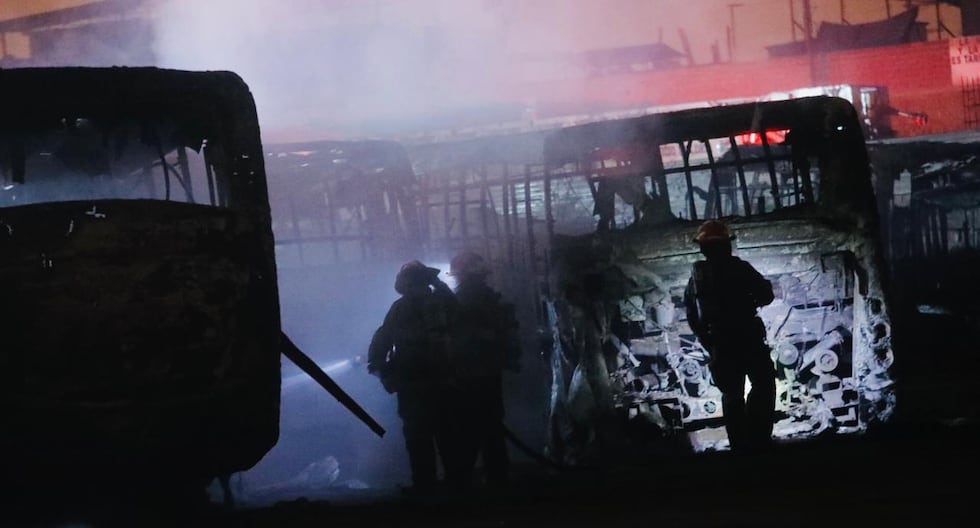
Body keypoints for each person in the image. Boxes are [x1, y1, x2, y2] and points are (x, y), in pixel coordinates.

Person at [684, 220, 776, 452]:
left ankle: (740, 446)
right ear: (727, 245)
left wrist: (709, 343)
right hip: (749, 339)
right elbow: (766, 295)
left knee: (732, 394)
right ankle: (759, 440)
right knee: (763, 386)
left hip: (721, 344)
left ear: (703, 248)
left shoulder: (697, 277)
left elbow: (692, 316)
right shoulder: (741, 268)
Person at [367, 260, 459, 494]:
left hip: (414, 384)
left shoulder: (400, 309)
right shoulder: (442, 303)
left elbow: (382, 340)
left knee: (419, 437)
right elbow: (460, 320)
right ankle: (456, 485)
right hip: (444, 382)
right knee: (447, 435)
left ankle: (426, 486)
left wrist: (381, 369)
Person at [448, 250, 521, 488]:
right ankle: (496, 476)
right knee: (491, 428)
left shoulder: (460, 300)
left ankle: (465, 481)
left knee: (467, 429)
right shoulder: (489, 299)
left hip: (468, 374)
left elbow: (453, 337)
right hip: (488, 372)